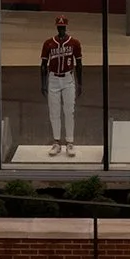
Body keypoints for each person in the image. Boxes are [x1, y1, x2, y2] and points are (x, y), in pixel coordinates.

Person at [40, 15, 82, 156]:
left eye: (63, 27)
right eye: (59, 27)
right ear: (57, 27)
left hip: (68, 78)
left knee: (69, 111)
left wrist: (80, 83)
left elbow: (79, 64)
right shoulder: (48, 43)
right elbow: (43, 65)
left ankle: (70, 142)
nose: (61, 29)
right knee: (54, 111)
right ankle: (56, 142)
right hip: (53, 79)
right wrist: (43, 83)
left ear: (66, 27)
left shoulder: (74, 43)